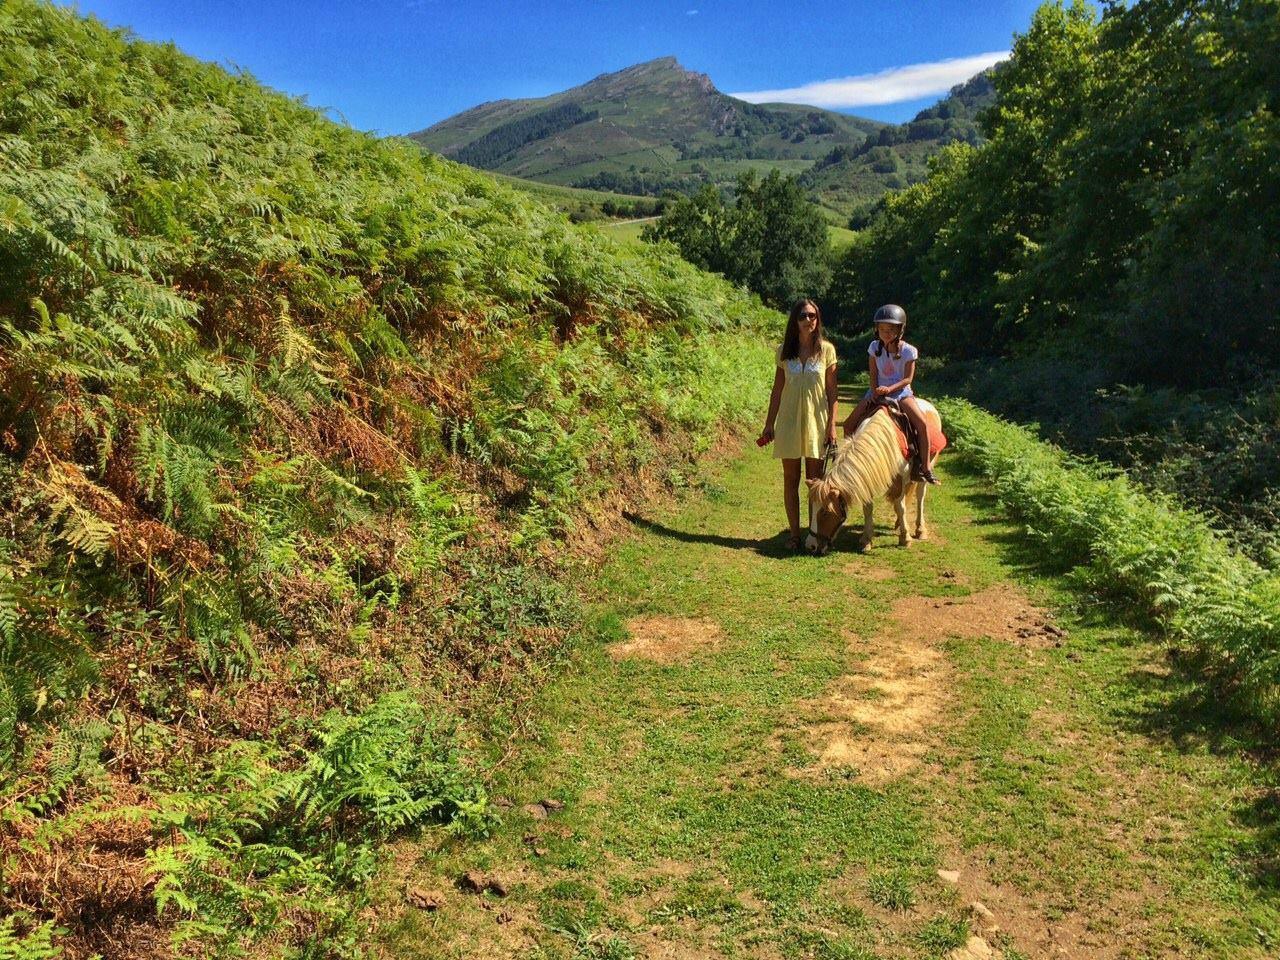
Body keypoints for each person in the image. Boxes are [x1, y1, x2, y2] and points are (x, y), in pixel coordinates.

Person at [759, 299, 838, 551]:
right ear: (795, 320)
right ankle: (794, 534)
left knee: (815, 482)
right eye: (803, 316)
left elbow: (832, 393)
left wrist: (832, 426)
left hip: (817, 422)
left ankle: (813, 534)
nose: (808, 320)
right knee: (790, 480)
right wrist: (769, 423)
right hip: (789, 422)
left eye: (813, 316)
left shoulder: (826, 350)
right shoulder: (784, 351)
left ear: (818, 319)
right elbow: (777, 389)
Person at [841, 303, 940, 485]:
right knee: (848, 424)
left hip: (901, 393)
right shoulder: (873, 347)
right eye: (882, 329)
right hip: (877, 391)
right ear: (876, 329)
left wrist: (890, 389)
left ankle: (924, 467)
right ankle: (848, 462)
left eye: (891, 329)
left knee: (922, 424)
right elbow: (873, 374)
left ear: (899, 330)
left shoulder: (909, 351)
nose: (886, 332)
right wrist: (874, 391)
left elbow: (908, 379)